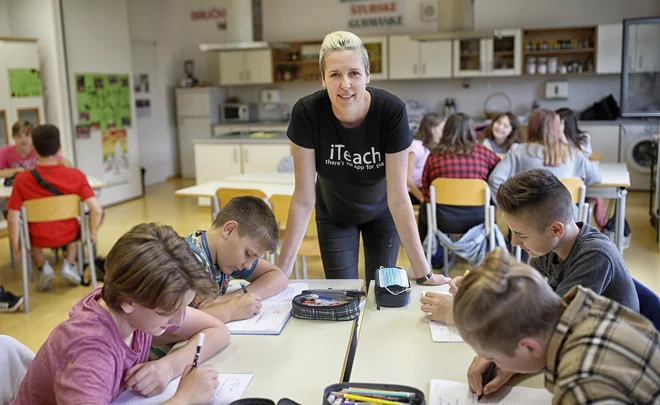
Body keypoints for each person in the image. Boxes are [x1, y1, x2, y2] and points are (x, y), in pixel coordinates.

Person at [278, 30, 448, 286]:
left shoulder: (391, 111)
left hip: (383, 213)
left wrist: (424, 273)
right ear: (323, 78)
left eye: (354, 73)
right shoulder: (307, 113)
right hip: (334, 215)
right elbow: (303, 199)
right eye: (335, 74)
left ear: (368, 75)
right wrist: (280, 274)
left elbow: (400, 198)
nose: (345, 83)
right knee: (341, 294)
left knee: (380, 292)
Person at [12, 223, 231, 405]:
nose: (180, 319)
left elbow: (217, 330)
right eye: (168, 312)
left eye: (184, 307)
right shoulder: (90, 353)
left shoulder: (130, 306)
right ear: (128, 302)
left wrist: (168, 366)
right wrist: (184, 399)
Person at [420, 169, 639, 323]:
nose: (514, 243)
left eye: (521, 235)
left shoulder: (595, 256)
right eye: (512, 232)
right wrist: (478, 284)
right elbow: (519, 285)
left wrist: (460, 316)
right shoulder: (550, 246)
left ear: (556, 230)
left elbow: (550, 322)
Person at [453, 248, 660, 403]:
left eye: (492, 358)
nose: (490, 363)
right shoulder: (588, 305)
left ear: (529, 347)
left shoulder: (578, 387)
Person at [6, 124, 104, 292]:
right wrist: (92, 232)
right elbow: (97, 210)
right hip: (69, 234)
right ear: (59, 148)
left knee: (29, 228)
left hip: (37, 237)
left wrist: (17, 248)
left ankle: (43, 266)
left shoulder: (22, 180)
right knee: (75, 223)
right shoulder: (76, 175)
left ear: (34, 149)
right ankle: (70, 263)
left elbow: (12, 219)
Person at [186, 196, 288, 323]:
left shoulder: (223, 255)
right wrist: (229, 310)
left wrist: (227, 299)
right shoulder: (187, 262)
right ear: (229, 230)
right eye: (248, 253)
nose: (248, 266)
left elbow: (279, 277)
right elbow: (172, 325)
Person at [488, 109, 601, 206]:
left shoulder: (518, 150)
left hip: (526, 222)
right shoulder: (573, 153)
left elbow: (495, 180)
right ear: (557, 129)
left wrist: (511, 209)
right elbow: (595, 176)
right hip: (565, 222)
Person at [419, 113, 500, 239]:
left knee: (425, 206)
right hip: (479, 218)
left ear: (446, 130)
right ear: (471, 131)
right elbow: (499, 175)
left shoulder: (434, 155)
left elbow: (426, 190)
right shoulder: (484, 153)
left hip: (442, 220)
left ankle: (432, 255)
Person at [0, 120, 70, 178]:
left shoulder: (39, 148)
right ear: (13, 137)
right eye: (19, 136)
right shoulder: (5, 151)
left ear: (33, 136)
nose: (23, 139)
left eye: (27, 135)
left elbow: (67, 165)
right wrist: (13, 171)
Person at [407, 113, 444, 205]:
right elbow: (407, 178)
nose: (443, 133)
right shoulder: (416, 145)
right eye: (442, 129)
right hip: (413, 192)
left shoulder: (430, 148)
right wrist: (422, 199)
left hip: (424, 190)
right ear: (432, 129)